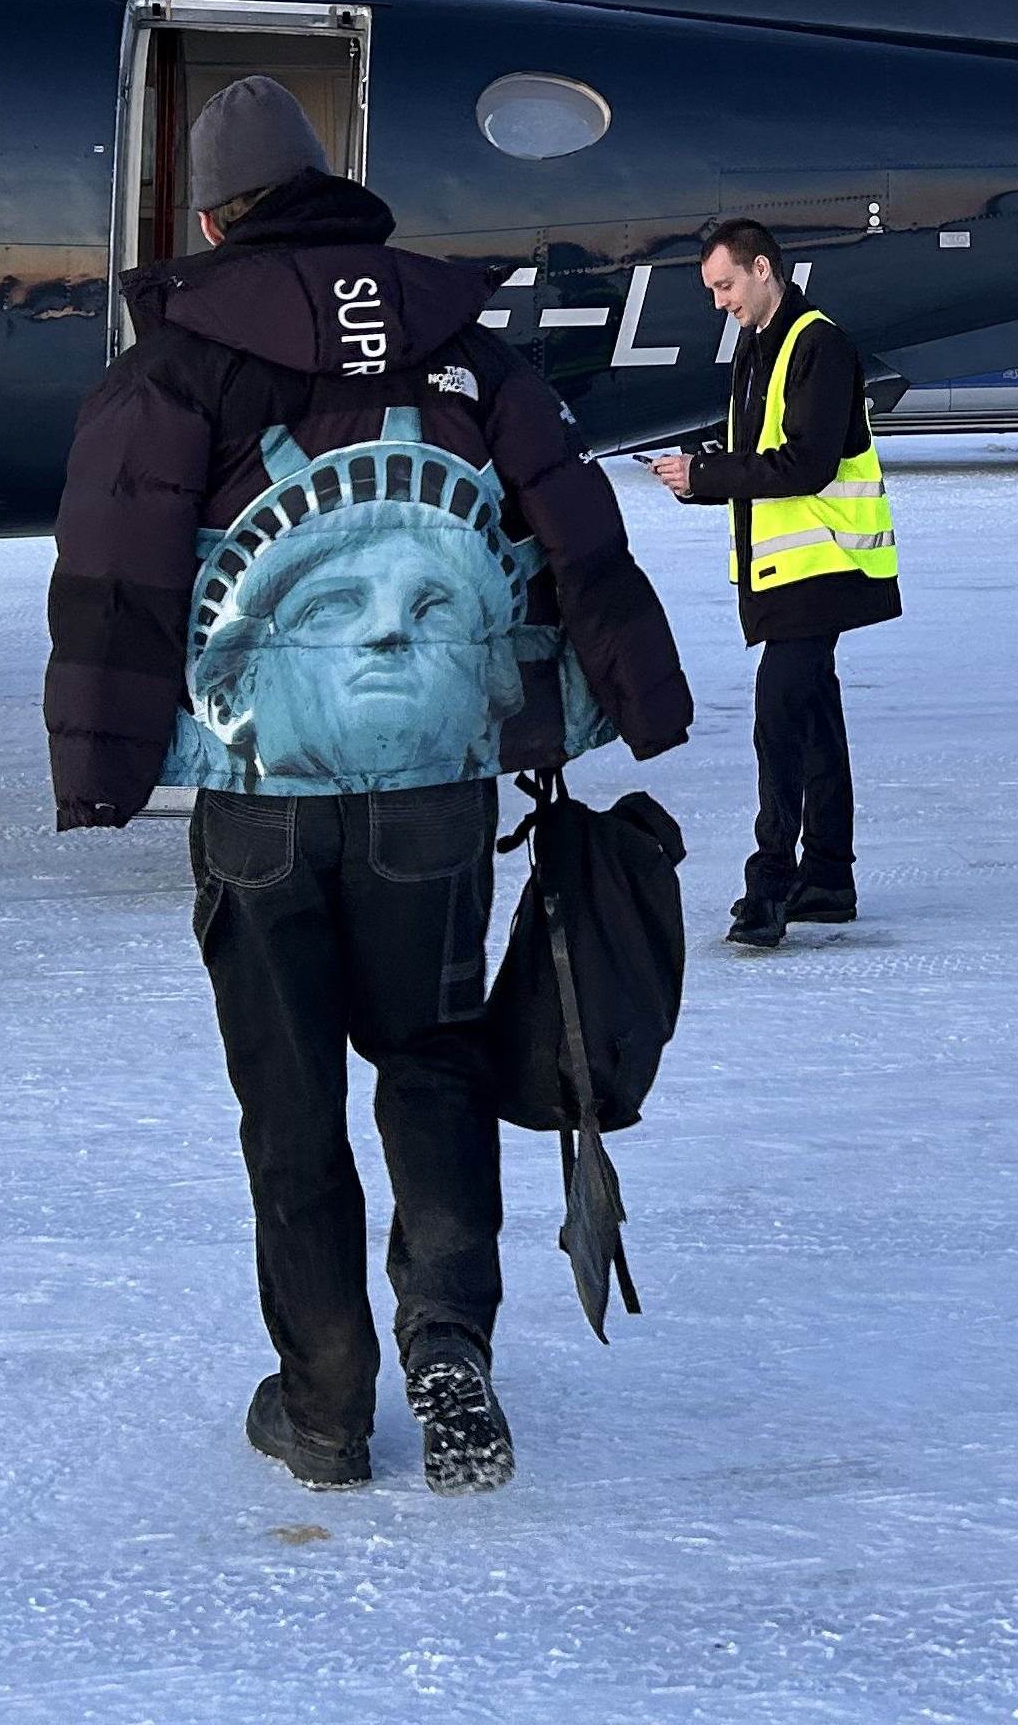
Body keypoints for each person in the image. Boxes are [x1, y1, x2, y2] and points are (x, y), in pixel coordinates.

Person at [47, 75, 693, 1495]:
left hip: (261, 791)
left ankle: (326, 1406)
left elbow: (112, 573)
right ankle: (449, 1337)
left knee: (289, 1108)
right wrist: (636, 697)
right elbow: (574, 527)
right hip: (436, 787)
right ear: (329, 192)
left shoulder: (177, 364)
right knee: (434, 1060)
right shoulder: (462, 346)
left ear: (214, 217)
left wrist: (98, 769)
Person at [648, 218, 900, 952]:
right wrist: (699, 476)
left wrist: (706, 474)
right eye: (712, 289)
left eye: (725, 284)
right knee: (814, 718)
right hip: (785, 573)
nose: (719, 301)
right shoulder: (759, 346)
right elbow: (762, 456)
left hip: (825, 567)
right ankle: (828, 877)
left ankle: (769, 887)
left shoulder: (818, 344)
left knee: (779, 718)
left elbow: (807, 465)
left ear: (763, 269)